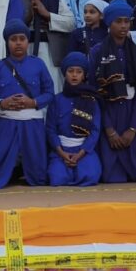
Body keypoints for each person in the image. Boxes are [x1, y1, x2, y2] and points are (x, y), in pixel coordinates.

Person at [0, 19, 54, 190]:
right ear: (7, 42)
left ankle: (32, 175)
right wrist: (3, 103)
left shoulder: (38, 64)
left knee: (38, 173)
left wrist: (32, 102)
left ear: (27, 41)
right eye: (13, 39)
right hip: (6, 122)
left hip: (32, 122)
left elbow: (49, 93)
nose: (18, 43)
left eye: (22, 39)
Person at [89, 0, 136, 183]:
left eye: (127, 21)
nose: (123, 26)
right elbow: (95, 91)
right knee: (111, 175)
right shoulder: (97, 52)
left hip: (132, 112)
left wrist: (134, 128)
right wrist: (109, 130)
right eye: (118, 21)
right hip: (108, 111)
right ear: (109, 23)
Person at [14, 0, 75, 92]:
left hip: (51, 54)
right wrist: (29, 15)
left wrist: (47, 15)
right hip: (25, 52)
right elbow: (10, 30)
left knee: (52, 92)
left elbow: (71, 23)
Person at [47, 52, 103, 187]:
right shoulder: (56, 100)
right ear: (65, 74)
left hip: (83, 150)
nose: (74, 75)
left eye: (79, 72)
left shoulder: (91, 100)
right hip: (61, 150)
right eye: (70, 71)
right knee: (57, 178)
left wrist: (80, 154)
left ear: (84, 75)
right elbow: (50, 129)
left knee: (90, 176)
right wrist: (61, 152)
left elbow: (95, 130)